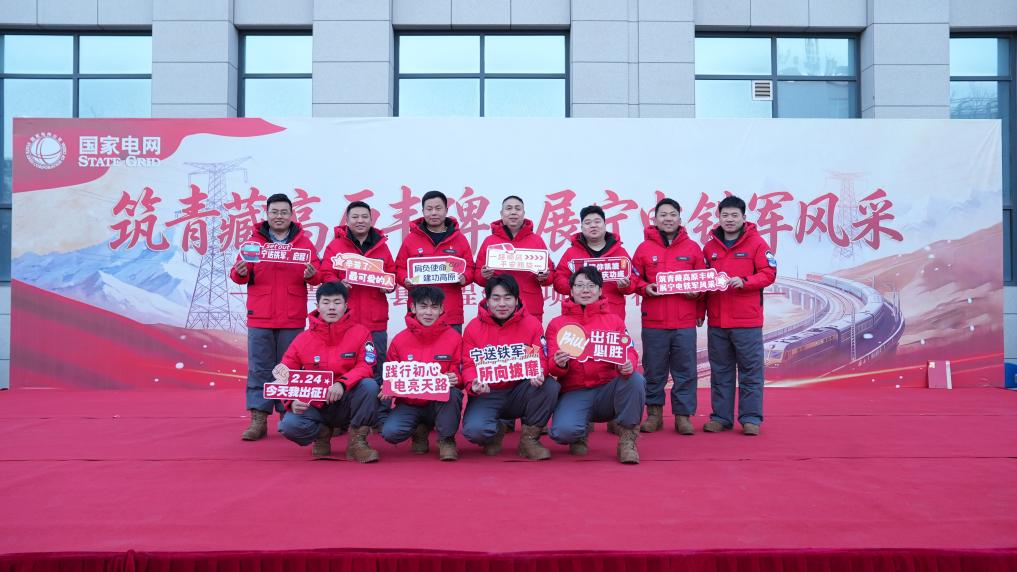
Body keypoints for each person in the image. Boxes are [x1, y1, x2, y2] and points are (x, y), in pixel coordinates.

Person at [230, 193, 321, 441]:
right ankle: (258, 419)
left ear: (291, 215)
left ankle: (286, 415)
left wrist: (312, 274)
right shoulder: (254, 243)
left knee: (288, 369)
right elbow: (239, 275)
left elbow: (318, 275)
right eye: (274, 212)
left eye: (284, 212)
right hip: (260, 316)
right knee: (259, 368)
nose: (279, 216)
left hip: (292, 317)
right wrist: (240, 271)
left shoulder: (303, 243)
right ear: (267, 214)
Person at [547, 267, 645, 464]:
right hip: (575, 391)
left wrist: (628, 363)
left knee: (635, 379)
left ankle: (627, 440)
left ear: (600, 290)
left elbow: (628, 350)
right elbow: (550, 365)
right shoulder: (557, 324)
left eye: (591, 286)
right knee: (563, 432)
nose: (585, 290)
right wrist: (558, 364)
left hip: (608, 389)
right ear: (571, 290)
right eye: (580, 285)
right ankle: (579, 433)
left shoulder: (614, 321)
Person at [276, 281, 381, 462]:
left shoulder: (361, 333)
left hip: (347, 401)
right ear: (317, 306)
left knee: (369, 386)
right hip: (315, 404)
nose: (331, 307)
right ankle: (321, 434)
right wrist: (291, 401)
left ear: (345, 306)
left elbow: (367, 365)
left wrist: (342, 383)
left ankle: (357, 443)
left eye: (337, 302)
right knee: (289, 426)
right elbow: (283, 374)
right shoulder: (302, 339)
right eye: (326, 302)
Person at [460, 275, 559, 460]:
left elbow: (539, 357)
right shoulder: (473, 328)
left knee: (549, 386)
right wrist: (473, 383)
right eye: (496, 298)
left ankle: (529, 440)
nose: (502, 304)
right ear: (487, 299)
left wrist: (539, 372)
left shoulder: (532, 325)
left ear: (517, 299)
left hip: (520, 390)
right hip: (488, 392)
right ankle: (495, 430)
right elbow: (468, 364)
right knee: (475, 431)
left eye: (508, 298)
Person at [702, 195, 777, 436]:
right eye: (725, 215)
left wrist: (745, 282)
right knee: (720, 372)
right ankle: (720, 418)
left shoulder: (757, 244)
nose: (730, 219)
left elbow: (769, 273)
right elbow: (702, 282)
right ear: (719, 218)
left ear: (744, 218)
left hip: (747, 322)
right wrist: (700, 312)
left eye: (735, 215)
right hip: (717, 321)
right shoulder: (710, 247)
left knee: (750, 372)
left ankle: (751, 418)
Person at [318, 200, 396, 429]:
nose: (360, 221)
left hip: (375, 320)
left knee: (377, 368)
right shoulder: (336, 246)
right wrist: (338, 284)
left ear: (371, 220)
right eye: (355, 217)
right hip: (345, 321)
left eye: (364, 217)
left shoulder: (382, 247)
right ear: (347, 220)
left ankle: (379, 417)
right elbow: (325, 273)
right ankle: (342, 417)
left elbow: (392, 275)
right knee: (344, 368)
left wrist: (389, 286)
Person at [631, 198, 705, 435]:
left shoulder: (692, 248)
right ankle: (654, 415)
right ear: (655, 219)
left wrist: (698, 299)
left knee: (686, 371)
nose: (668, 219)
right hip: (654, 321)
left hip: (684, 321)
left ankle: (683, 416)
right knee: (654, 370)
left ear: (680, 219)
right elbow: (633, 278)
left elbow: (704, 281)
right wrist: (645, 288)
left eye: (673, 214)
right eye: (663, 215)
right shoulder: (644, 249)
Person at [380, 286, 464, 461]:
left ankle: (446, 439)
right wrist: (387, 386)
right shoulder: (399, 340)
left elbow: (461, 372)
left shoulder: (454, 338)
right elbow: (390, 374)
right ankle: (419, 429)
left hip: (439, 403)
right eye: (423, 306)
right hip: (410, 403)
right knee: (391, 432)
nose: (428, 312)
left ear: (441, 309)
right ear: (413, 308)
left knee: (454, 393)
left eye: (434, 307)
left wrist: (456, 377)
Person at [395, 190, 475, 333]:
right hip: (420, 313)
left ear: (446, 210)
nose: (433, 213)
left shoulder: (459, 239)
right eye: (429, 209)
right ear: (423, 211)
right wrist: (405, 279)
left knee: (452, 347)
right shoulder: (411, 239)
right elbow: (399, 268)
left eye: (438, 208)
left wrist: (465, 277)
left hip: (451, 311)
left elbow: (470, 267)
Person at [475, 196, 555, 324]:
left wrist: (544, 277)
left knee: (531, 337)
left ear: (523, 213)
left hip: (530, 306)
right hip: (499, 308)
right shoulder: (490, 242)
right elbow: (477, 276)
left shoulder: (536, 241)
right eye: (508, 208)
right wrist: (484, 275)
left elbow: (550, 276)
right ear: (501, 213)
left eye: (518, 209)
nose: (513, 212)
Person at [553, 205, 636, 320]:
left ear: (605, 225)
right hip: (579, 315)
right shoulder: (571, 253)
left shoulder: (620, 252)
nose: (593, 225)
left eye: (597, 221)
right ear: (582, 227)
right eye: (587, 223)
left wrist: (626, 286)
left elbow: (633, 280)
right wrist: (576, 286)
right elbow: (558, 280)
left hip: (612, 315)